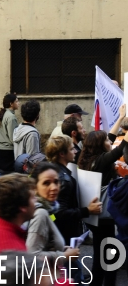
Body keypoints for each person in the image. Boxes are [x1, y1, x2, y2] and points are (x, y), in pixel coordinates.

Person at [78, 111, 128, 286]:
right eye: (107, 141)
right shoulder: (101, 161)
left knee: (103, 252)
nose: (111, 142)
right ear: (100, 145)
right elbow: (122, 147)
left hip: (94, 216)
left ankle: (99, 280)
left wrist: (121, 118)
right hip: (103, 215)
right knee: (107, 254)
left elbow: (112, 137)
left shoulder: (86, 159)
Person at [25, 162, 80, 277]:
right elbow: (32, 256)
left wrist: (60, 248)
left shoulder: (49, 209)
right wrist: (65, 256)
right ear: (35, 187)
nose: (54, 187)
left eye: (56, 182)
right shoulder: (40, 213)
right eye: (46, 183)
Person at [45, 135, 101, 244]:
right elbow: (60, 213)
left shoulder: (51, 170)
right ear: (62, 154)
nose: (75, 151)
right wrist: (87, 210)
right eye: (71, 149)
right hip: (62, 235)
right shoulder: (63, 179)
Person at [0, 93, 19, 184]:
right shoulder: (11, 117)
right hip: (8, 150)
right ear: (11, 104)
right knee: (10, 174)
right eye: (16, 101)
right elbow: (13, 137)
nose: (18, 103)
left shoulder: (1, 115)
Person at [13, 99, 41, 165]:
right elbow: (33, 159)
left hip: (19, 170)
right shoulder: (32, 134)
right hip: (27, 173)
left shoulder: (17, 129)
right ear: (37, 115)